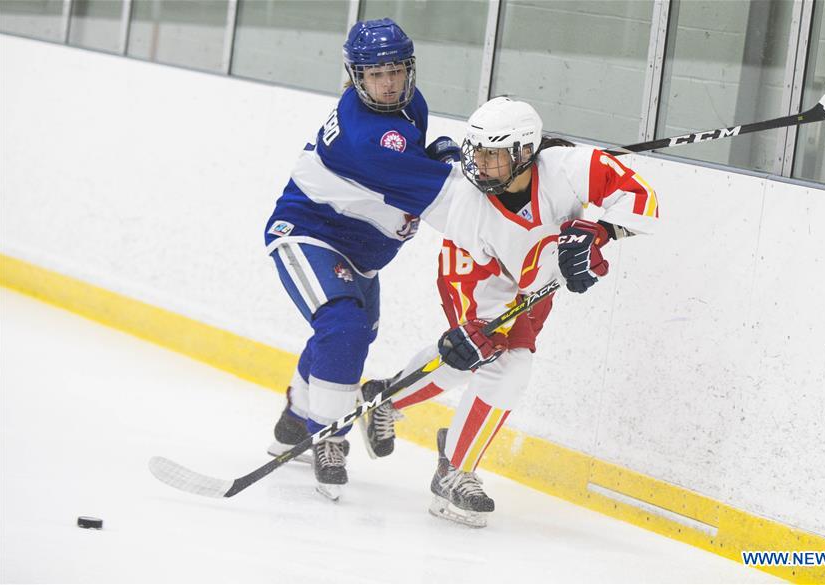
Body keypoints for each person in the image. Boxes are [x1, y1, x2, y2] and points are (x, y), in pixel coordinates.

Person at [359, 97, 660, 526]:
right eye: (475, 151)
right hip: (481, 275)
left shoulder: (570, 169)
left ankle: (385, 399)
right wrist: (467, 330)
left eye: (492, 155)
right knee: (495, 362)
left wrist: (601, 231)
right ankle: (454, 471)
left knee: (484, 364)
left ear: (523, 153)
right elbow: (462, 278)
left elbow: (644, 203)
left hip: (532, 277)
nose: (479, 164)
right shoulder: (468, 206)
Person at [263, 18, 462, 500]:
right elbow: (449, 200)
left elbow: (413, 160)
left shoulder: (411, 105)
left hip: (362, 253)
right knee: (344, 328)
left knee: (349, 335)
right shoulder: (368, 138)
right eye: (376, 75)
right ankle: (326, 436)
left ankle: (296, 415)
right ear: (355, 76)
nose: (389, 83)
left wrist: (439, 153)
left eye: (396, 70)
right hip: (309, 233)